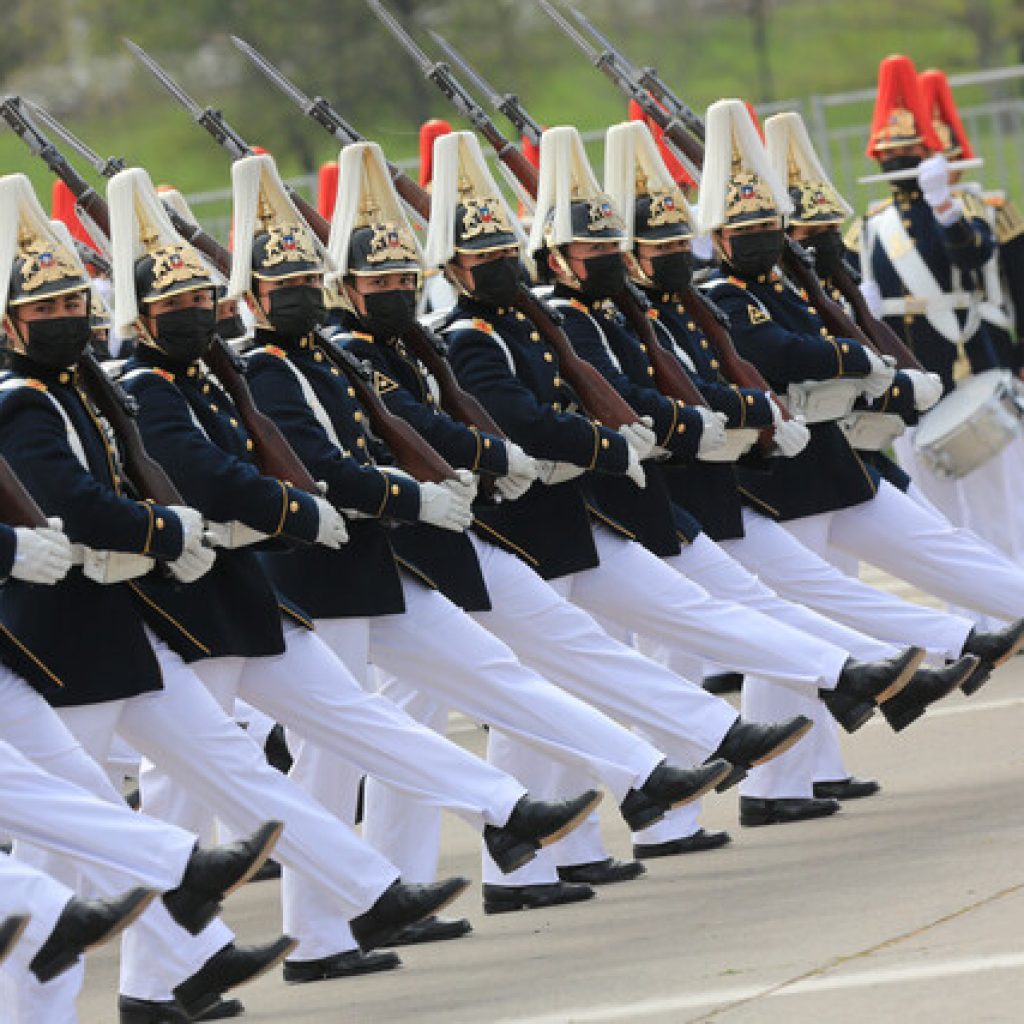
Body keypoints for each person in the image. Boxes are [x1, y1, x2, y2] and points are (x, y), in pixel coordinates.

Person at [245, 139, 804, 916]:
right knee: (335, 751)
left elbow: (404, 427)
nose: (304, 296)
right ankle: (332, 923)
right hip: (330, 570)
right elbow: (330, 456)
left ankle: (643, 771)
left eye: (401, 276)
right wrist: (453, 476)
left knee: (492, 682)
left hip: (397, 559)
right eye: (290, 287)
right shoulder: (276, 366)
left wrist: (477, 465)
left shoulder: (356, 352)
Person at [0, 171, 470, 1024]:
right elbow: (78, 501)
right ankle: (172, 947)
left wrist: (167, 532)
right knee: (68, 825)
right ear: (10, 326)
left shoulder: (76, 391)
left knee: (168, 787)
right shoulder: (27, 404)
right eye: (46, 310)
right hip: (54, 636)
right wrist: (164, 531)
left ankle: (351, 894)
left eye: (73, 303)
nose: (66, 318)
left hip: (112, 624)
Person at [690, 99, 1024, 711]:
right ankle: (790, 769)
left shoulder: (788, 285)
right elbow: (777, 352)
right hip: (780, 479)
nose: (761, 238)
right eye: (745, 231)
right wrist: (860, 360)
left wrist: (893, 381)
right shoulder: (720, 294)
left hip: (836, 462)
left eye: (768, 226)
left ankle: (980, 631)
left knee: (938, 546)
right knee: (804, 612)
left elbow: (834, 349)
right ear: (718, 240)